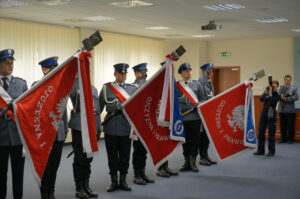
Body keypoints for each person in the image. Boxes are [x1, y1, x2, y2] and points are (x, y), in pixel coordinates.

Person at [99, 63, 137, 192]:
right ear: (115, 74)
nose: (123, 76)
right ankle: (114, 181)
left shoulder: (133, 88)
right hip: (111, 127)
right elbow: (99, 108)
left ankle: (123, 180)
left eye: (125, 73)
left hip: (126, 127)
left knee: (125, 155)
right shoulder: (106, 88)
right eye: (121, 73)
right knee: (112, 156)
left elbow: (137, 109)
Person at [34, 57, 68, 199]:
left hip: (59, 132)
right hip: (44, 134)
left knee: (54, 165)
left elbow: (63, 109)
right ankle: (44, 191)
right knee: (45, 165)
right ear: (44, 69)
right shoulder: (36, 85)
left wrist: (65, 129)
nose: (56, 71)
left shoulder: (60, 85)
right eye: (53, 68)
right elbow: (35, 110)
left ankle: (51, 191)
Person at [0, 49, 28, 199]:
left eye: (12, 63)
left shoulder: (22, 84)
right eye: (6, 63)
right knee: (0, 175)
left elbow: (27, 109)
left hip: (17, 136)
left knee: (18, 173)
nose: (10, 66)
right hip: (1, 137)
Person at [69, 78, 100, 198]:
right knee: (79, 158)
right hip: (79, 126)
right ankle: (79, 188)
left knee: (88, 158)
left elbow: (96, 110)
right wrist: (76, 77)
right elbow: (69, 93)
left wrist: (98, 129)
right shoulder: (74, 86)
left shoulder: (94, 89)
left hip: (92, 127)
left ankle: (86, 186)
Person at [177, 63, 206, 172]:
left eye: (189, 70)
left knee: (195, 141)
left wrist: (199, 104)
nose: (188, 73)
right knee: (185, 141)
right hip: (183, 118)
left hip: (195, 118)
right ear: (181, 73)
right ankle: (186, 162)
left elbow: (203, 99)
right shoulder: (177, 86)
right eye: (186, 71)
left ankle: (193, 162)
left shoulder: (197, 84)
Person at [131, 63, 154, 185]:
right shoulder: (132, 87)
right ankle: (136, 174)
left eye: (145, 72)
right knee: (137, 150)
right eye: (142, 72)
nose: (144, 74)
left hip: (146, 123)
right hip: (136, 123)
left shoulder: (149, 85)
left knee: (144, 150)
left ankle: (143, 172)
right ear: (136, 73)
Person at [156, 61, 179, 178]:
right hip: (159, 120)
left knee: (166, 143)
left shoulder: (171, 85)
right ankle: (160, 168)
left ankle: (166, 166)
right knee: (161, 145)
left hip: (168, 119)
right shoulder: (158, 84)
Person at [254, 80, 280, 156]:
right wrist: (265, 92)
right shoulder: (267, 91)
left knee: (271, 133)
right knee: (261, 132)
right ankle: (260, 150)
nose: (273, 87)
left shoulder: (277, 95)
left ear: (277, 87)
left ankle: (271, 151)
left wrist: (270, 93)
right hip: (264, 113)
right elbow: (261, 99)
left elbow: (273, 102)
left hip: (271, 113)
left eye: (275, 86)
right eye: (272, 86)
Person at [198, 63, 217, 166]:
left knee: (207, 137)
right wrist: (205, 75)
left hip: (209, 114)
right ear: (205, 72)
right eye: (210, 71)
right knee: (202, 137)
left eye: (212, 71)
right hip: (202, 114)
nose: (212, 73)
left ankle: (206, 155)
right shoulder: (200, 82)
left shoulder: (210, 84)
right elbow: (201, 81)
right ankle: (202, 157)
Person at [278, 75, 299, 144]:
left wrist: (288, 99)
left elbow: (296, 97)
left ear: (290, 80)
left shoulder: (294, 88)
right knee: (282, 125)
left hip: (290, 110)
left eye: (288, 80)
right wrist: (281, 97)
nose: (287, 81)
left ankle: (290, 139)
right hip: (281, 109)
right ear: (284, 80)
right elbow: (278, 95)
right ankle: (283, 139)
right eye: (285, 79)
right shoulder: (280, 88)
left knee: (290, 126)